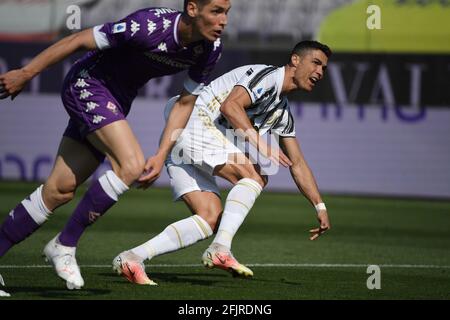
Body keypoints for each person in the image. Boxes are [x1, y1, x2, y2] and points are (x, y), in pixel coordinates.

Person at [0, 0, 231, 291]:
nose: (223, 20)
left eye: (227, 12)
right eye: (217, 11)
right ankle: (65, 244)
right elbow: (76, 39)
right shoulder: (147, 26)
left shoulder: (210, 49)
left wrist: (162, 154)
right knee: (131, 164)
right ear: (193, 9)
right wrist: (26, 73)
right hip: (88, 84)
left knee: (59, 191)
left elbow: (185, 102)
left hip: (117, 102)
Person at [112, 41, 332, 285]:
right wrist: (260, 143)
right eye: (316, 63)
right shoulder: (268, 77)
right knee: (255, 176)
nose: (320, 72)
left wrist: (319, 206)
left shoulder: (281, 113)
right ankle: (221, 249)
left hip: (186, 138)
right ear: (295, 60)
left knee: (210, 218)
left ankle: (132, 258)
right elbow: (230, 106)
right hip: (194, 120)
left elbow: (298, 163)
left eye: (324, 68)